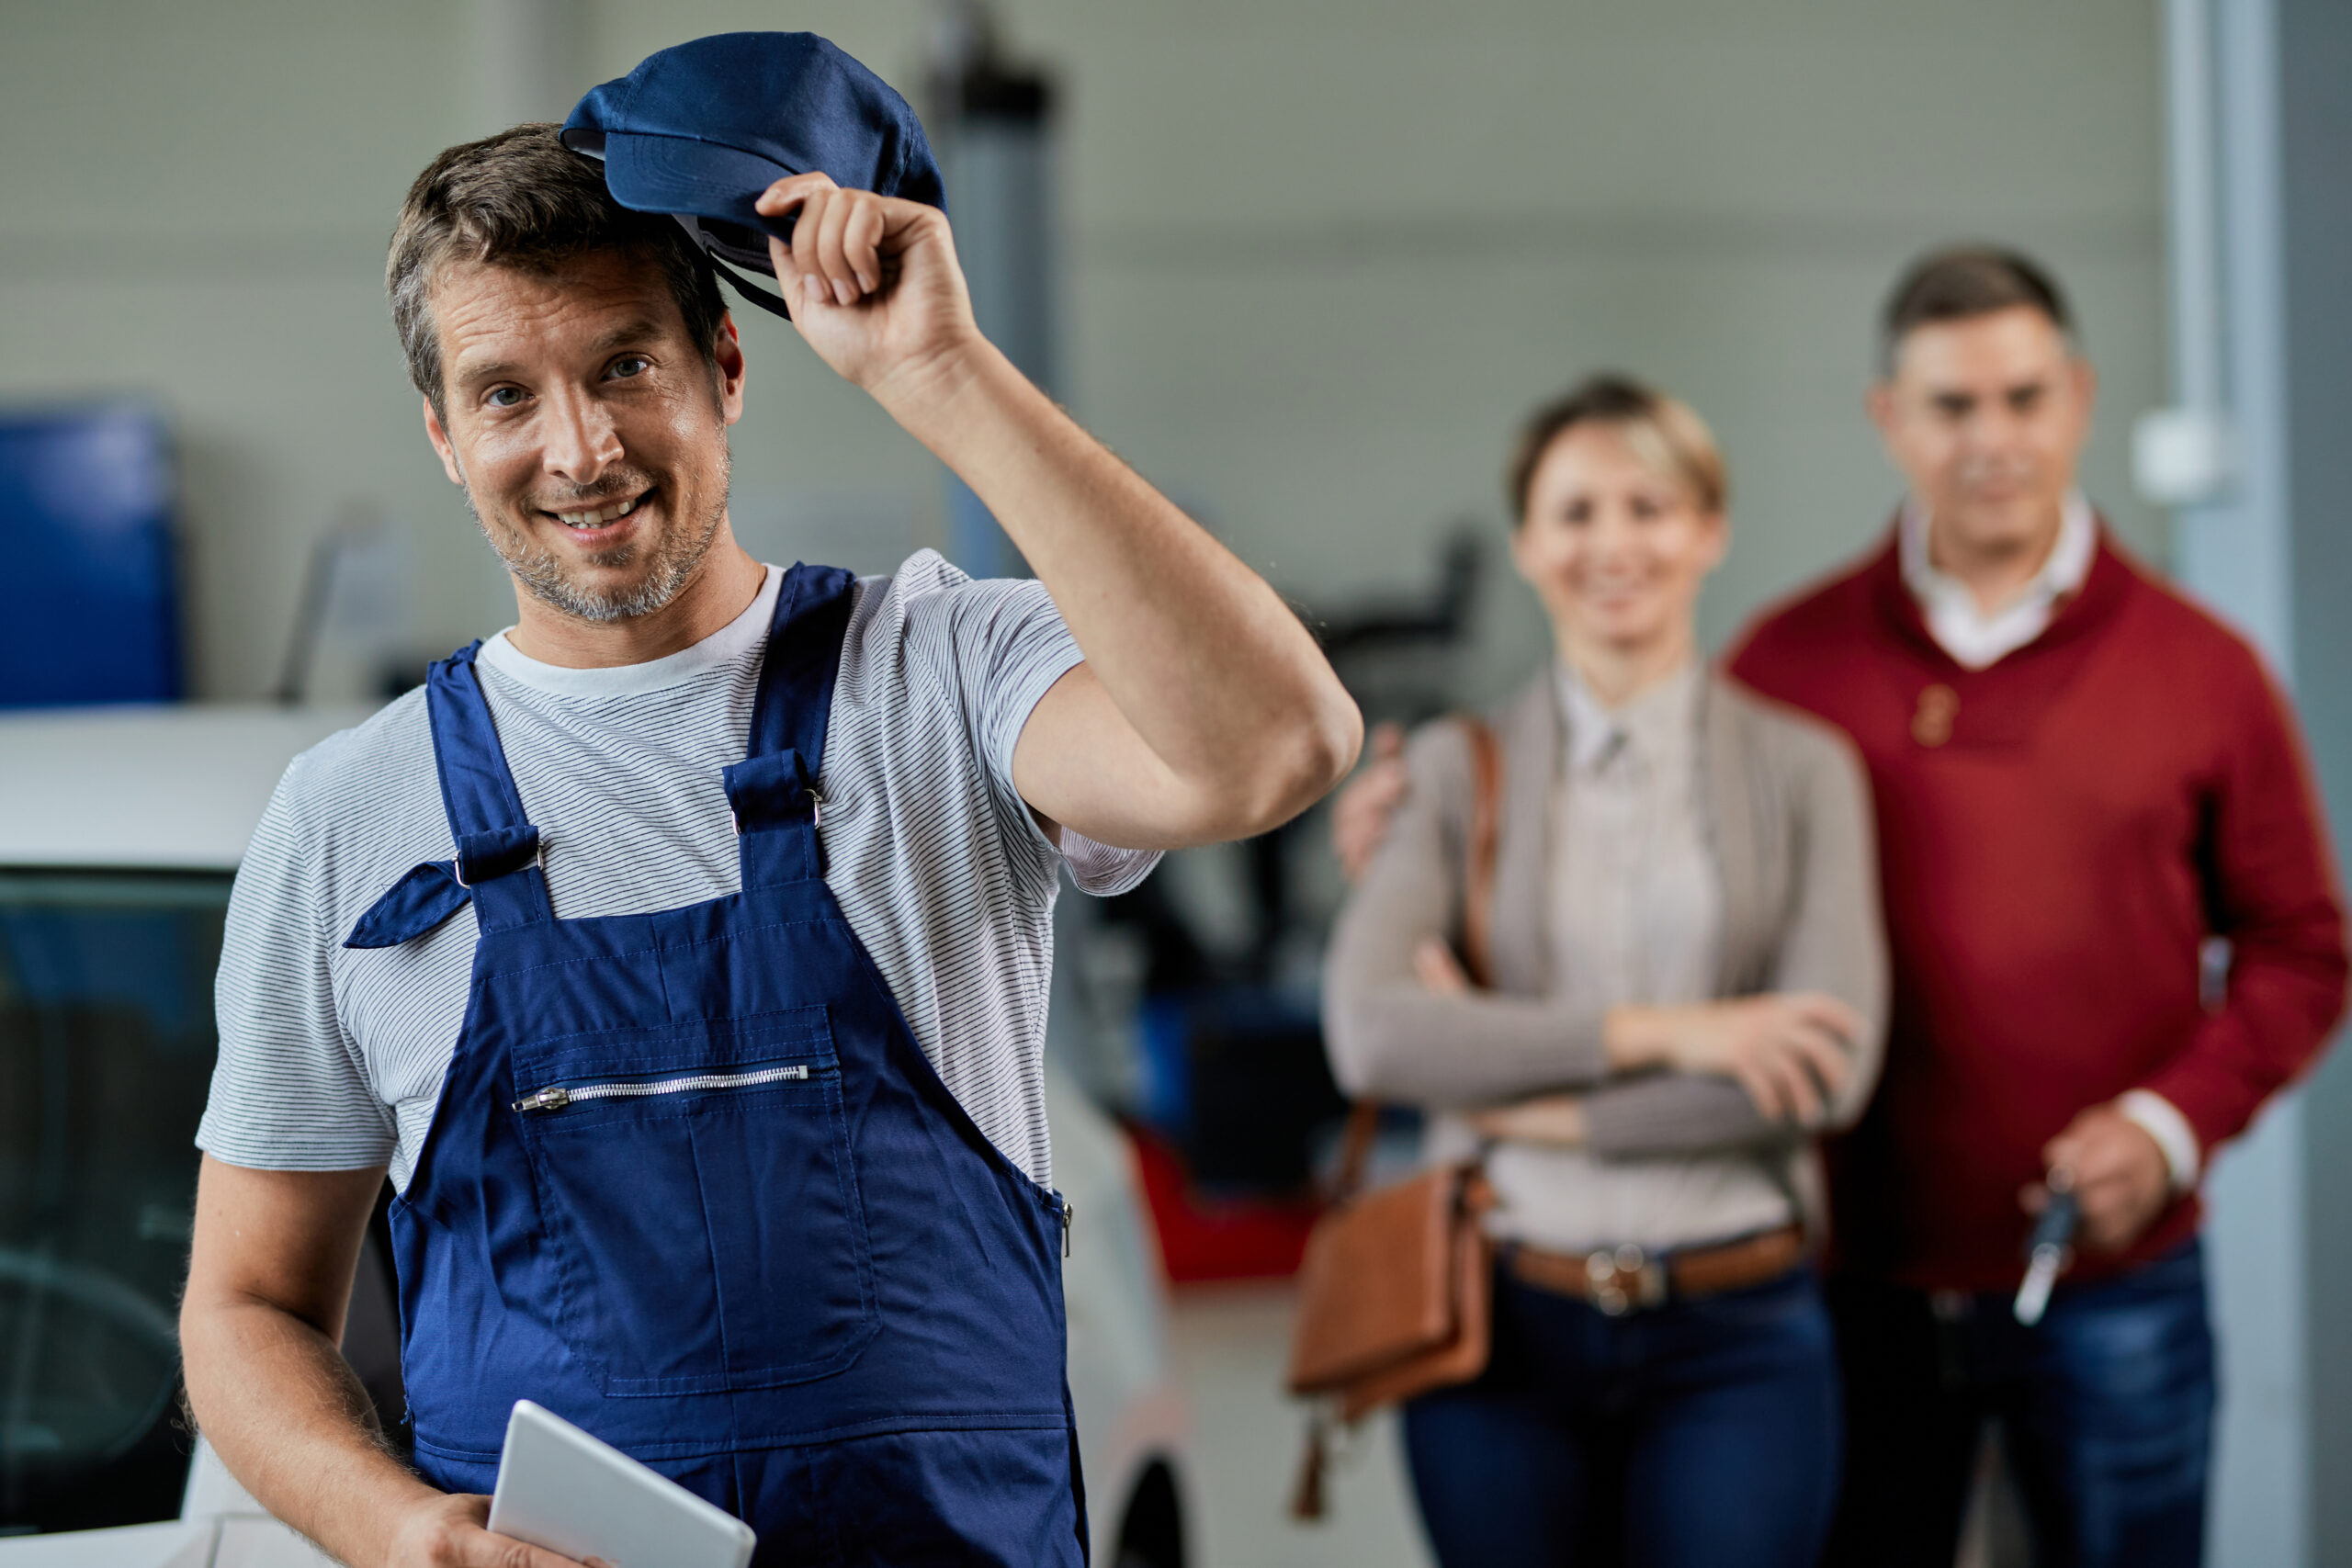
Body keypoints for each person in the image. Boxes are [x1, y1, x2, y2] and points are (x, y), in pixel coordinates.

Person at [176, 36, 1360, 1568]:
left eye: (625, 366)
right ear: (443, 436)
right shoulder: (349, 815)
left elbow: (1275, 748)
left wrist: (945, 378)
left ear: (724, 370)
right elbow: (244, 1307)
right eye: (506, 394)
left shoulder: (942, 672)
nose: (580, 449)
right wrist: (406, 1535)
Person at [1337, 249, 2351, 1568]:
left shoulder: (2203, 671)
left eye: (2022, 398)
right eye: (1950, 406)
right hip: (1853, 1279)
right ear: (1889, 418)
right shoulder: (1792, 668)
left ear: (2080, 400)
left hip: (2114, 1281)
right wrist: (1407, 836)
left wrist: (2167, 1128)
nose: (1991, 439)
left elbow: (2302, 950)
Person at [1322, 374, 1887, 1568]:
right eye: (1576, 512)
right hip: (1498, 1327)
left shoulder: (1806, 772)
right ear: (1528, 544)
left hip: (1740, 1333)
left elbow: (1826, 1070)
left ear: (1709, 530)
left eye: (1651, 505)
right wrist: (1677, 1037)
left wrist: (1518, 1098)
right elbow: (1373, 1035)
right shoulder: (1447, 770)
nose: (1614, 543)